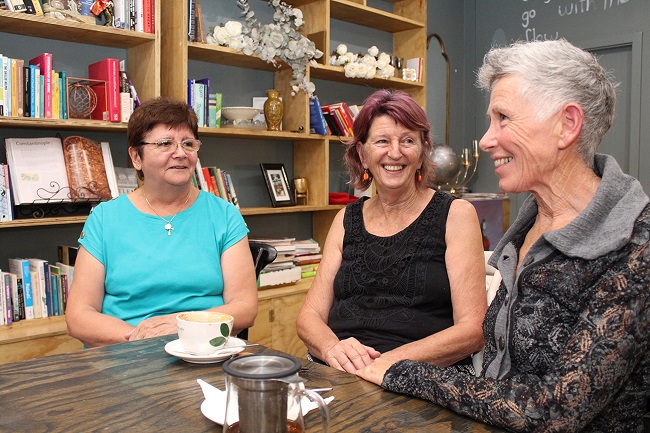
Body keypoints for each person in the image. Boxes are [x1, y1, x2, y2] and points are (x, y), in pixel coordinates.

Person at [357, 39, 650, 432]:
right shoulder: (527, 228)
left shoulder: (637, 244)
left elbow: (553, 411)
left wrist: (400, 370)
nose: (485, 139)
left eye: (503, 118)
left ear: (567, 124)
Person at [296, 89, 487, 374]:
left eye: (408, 140)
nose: (395, 153)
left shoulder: (456, 216)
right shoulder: (345, 219)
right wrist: (332, 348)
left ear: (423, 152)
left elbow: (473, 330)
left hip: (420, 377)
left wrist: (384, 364)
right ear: (362, 154)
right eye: (382, 141)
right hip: (340, 371)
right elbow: (309, 316)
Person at [66, 97, 258, 348]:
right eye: (165, 143)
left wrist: (182, 326)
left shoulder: (224, 215)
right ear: (136, 157)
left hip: (201, 350)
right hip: (123, 352)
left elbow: (244, 308)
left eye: (188, 144)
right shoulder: (104, 219)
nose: (180, 153)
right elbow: (78, 317)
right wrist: (144, 338)